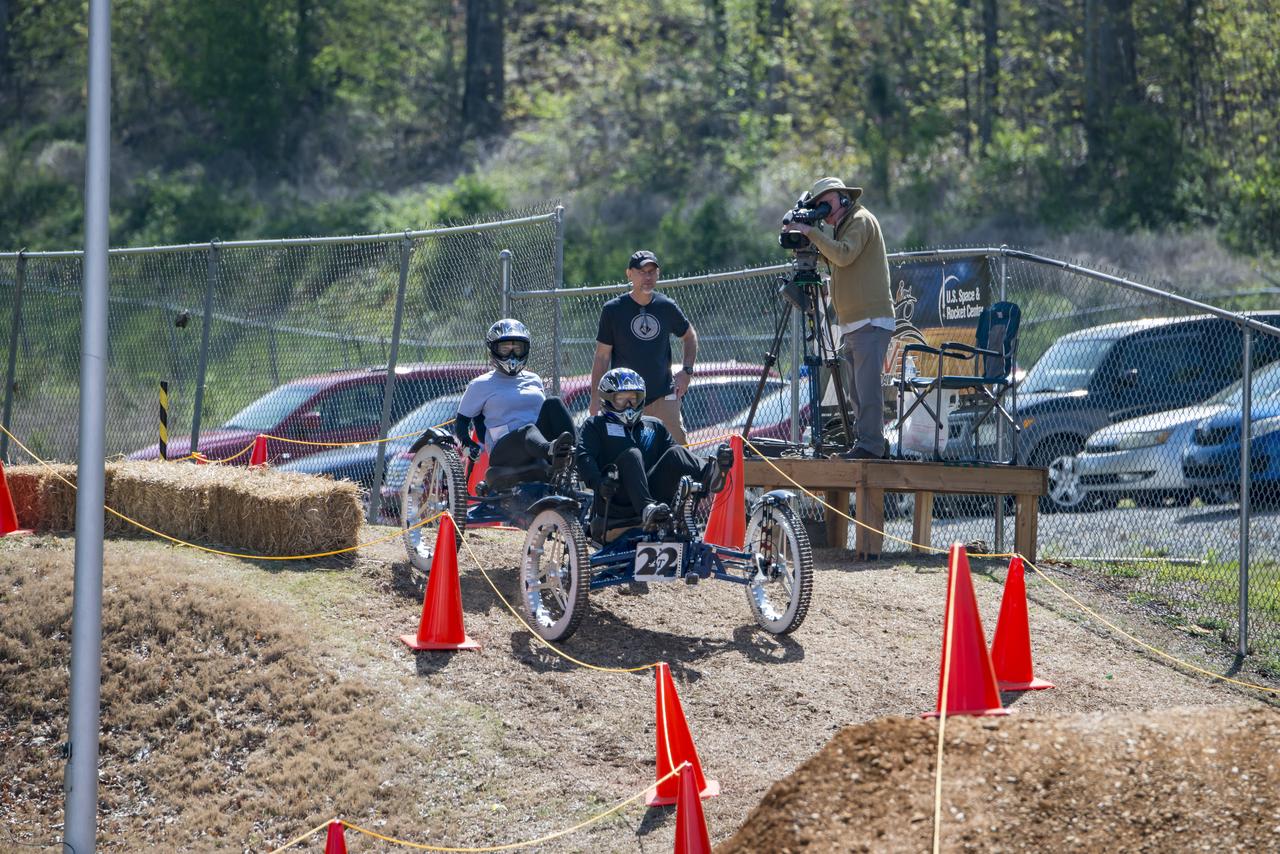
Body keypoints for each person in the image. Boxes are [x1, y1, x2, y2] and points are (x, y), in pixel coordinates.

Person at [784, 177, 893, 459]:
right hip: (855, 322)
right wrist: (805, 241)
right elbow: (836, 259)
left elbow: (843, 256)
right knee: (856, 391)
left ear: (844, 197)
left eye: (825, 202)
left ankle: (871, 446)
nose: (822, 208)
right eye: (817, 204)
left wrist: (811, 233)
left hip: (869, 320)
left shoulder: (860, 219)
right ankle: (867, 444)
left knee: (866, 388)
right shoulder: (845, 227)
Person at [577, 368, 724, 536]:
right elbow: (583, 458)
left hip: (656, 502)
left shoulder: (654, 426)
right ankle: (646, 509)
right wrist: (598, 483)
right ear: (607, 399)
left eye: (633, 399)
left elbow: (674, 461)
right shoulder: (595, 425)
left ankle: (712, 475)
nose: (629, 405)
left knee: (676, 451)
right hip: (615, 501)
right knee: (632, 454)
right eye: (621, 399)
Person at [589, 250, 698, 444]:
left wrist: (686, 371)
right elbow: (602, 357)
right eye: (642, 272)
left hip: (663, 395)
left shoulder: (666, 306)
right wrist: (595, 398)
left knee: (679, 453)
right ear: (629, 274)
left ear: (658, 274)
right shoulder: (613, 310)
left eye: (651, 272)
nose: (647, 277)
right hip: (625, 400)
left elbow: (689, 336)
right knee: (627, 456)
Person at [454, 318, 575, 478]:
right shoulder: (480, 384)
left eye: (517, 349)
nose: (512, 355)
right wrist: (468, 444)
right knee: (527, 429)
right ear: (493, 349)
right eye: (505, 349)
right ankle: (551, 450)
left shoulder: (534, 379)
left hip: (536, 444)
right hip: (503, 450)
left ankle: (576, 458)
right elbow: (462, 422)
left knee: (554, 402)